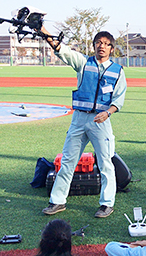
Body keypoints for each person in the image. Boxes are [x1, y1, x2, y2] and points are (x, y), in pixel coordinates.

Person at [41, 26, 127, 218]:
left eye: (106, 44)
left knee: (106, 163)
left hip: (101, 121)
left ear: (112, 49)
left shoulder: (118, 71)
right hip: (79, 119)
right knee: (68, 161)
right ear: (94, 46)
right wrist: (42, 29)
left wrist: (108, 113)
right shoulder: (83, 63)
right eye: (98, 43)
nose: (101, 47)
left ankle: (107, 203)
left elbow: (118, 99)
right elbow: (60, 49)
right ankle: (57, 201)